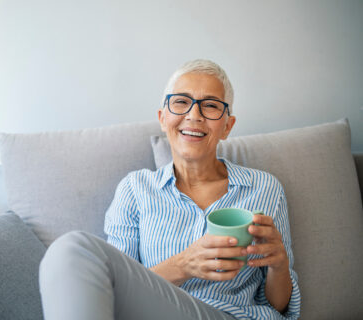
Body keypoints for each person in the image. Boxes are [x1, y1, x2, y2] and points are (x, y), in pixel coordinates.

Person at [39, 59, 301, 320]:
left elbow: (278, 306)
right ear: (163, 118)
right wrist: (183, 265)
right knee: (70, 249)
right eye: (181, 102)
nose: (194, 115)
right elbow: (117, 289)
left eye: (210, 105)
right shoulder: (136, 190)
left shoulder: (264, 188)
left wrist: (280, 266)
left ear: (227, 126)